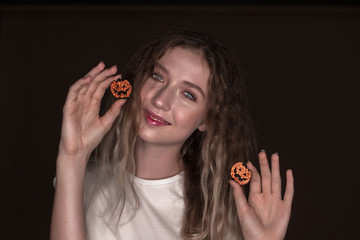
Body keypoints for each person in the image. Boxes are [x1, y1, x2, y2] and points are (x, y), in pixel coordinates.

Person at [50, 29, 294, 240]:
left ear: (208, 119)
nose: (160, 100)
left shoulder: (220, 214)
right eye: (157, 77)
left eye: (188, 94)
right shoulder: (81, 180)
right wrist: (72, 155)